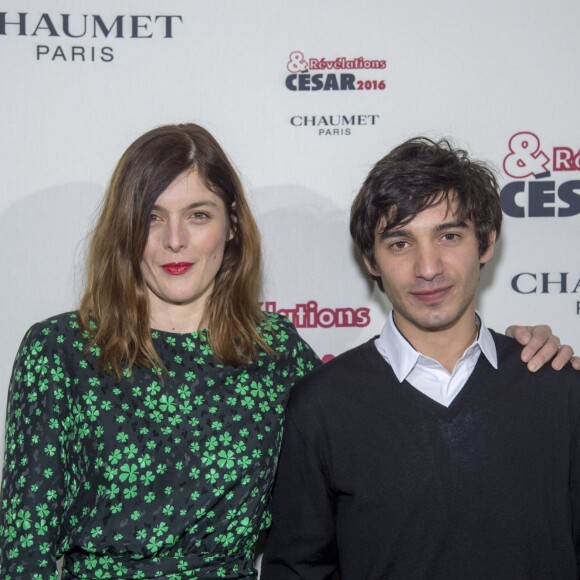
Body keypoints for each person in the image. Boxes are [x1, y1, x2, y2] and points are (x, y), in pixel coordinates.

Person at [0, 126, 573, 579]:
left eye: (197, 214)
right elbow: (25, 549)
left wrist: (522, 358)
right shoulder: (60, 352)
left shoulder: (274, 355)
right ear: (123, 230)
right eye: (151, 216)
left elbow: (359, 480)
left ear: (231, 229)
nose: (174, 239)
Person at [261, 137, 580, 579]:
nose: (427, 267)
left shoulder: (558, 387)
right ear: (370, 260)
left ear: (485, 242)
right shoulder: (320, 407)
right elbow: (298, 571)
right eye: (399, 243)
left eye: (448, 236)